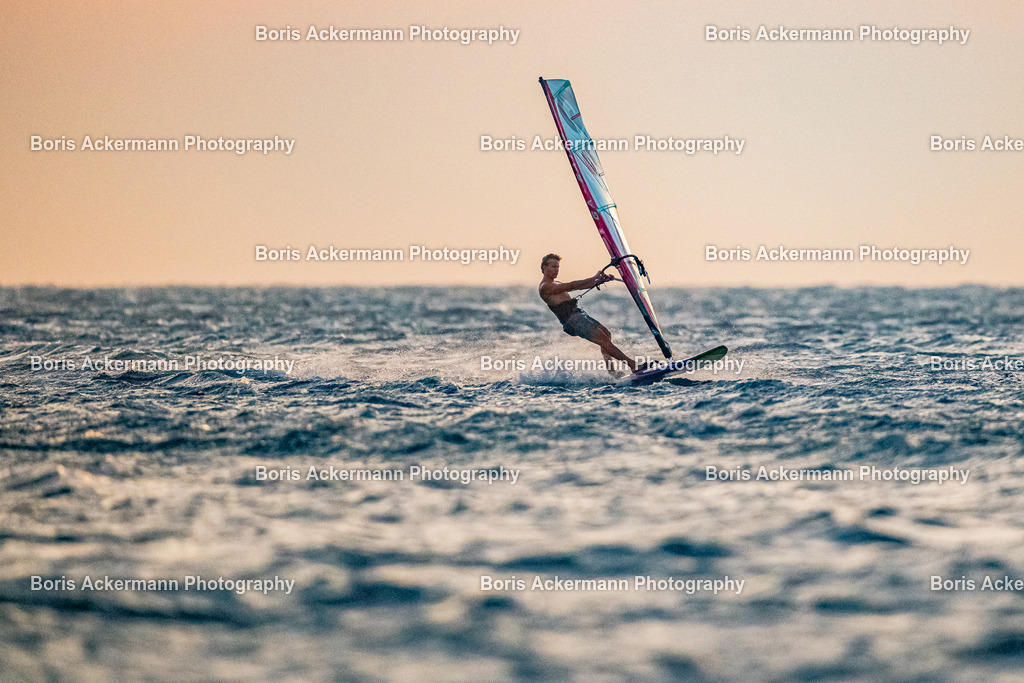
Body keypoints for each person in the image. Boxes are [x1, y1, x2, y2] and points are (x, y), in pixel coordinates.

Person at [538, 253, 641, 374]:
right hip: (573, 321)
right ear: (544, 267)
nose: (557, 270)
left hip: (578, 315)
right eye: (553, 266)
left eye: (558, 267)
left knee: (606, 335)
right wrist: (595, 277)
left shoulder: (556, 283)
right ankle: (633, 365)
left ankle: (612, 372)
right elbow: (573, 285)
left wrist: (600, 280)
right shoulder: (545, 287)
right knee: (603, 340)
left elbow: (581, 286)